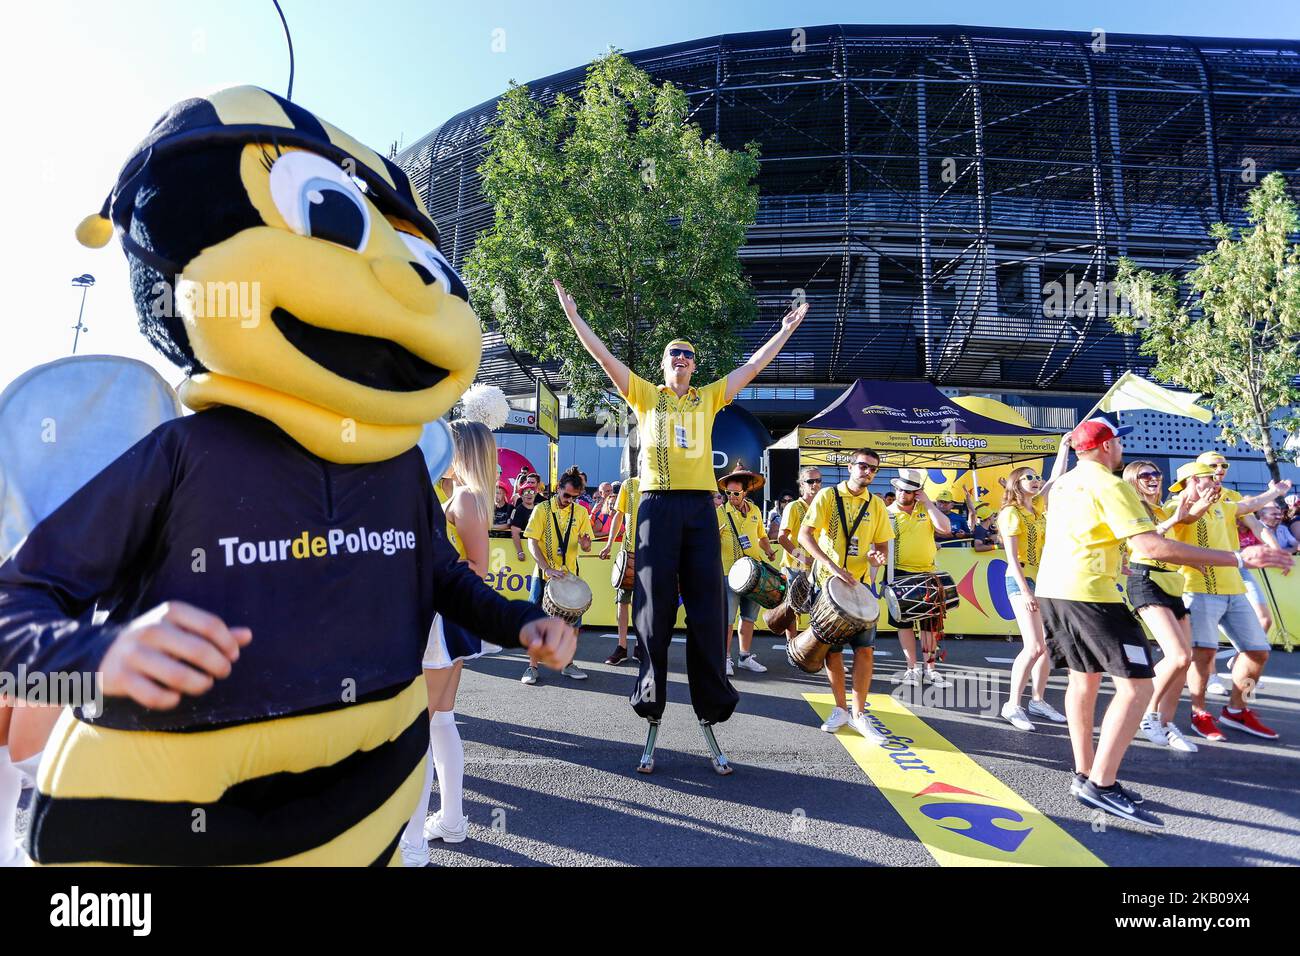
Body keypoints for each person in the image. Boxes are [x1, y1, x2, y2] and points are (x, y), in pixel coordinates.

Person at [552, 277, 807, 773]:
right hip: (655, 507)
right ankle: (651, 701)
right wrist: (574, 317)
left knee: (709, 611)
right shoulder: (645, 397)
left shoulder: (710, 397)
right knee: (653, 610)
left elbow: (753, 367)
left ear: (695, 365)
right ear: (663, 365)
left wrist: (785, 331)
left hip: (698, 509)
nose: (681, 360)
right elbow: (604, 359)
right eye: (673, 355)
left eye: (687, 355)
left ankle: (711, 705)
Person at [1035, 416, 1290, 827]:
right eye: (1119, 442)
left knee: (1084, 679)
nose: (1123, 449)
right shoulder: (1110, 484)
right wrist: (1240, 558)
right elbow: (1151, 546)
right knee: (1138, 686)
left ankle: (1086, 774)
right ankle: (1101, 785)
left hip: (1057, 589)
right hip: (1092, 593)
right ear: (1105, 448)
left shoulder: (1063, 482)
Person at [400, 420, 505, 864]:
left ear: (459, 452)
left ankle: (414, 844)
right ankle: (452, 821)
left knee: (422, 728)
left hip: (441, 623)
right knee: (442, 721)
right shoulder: (469, 497)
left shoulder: (463, 498)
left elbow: (477, 569)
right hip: (449, 621)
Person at [1167, 461, 1286, 742]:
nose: (1216, 479)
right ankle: (1199, 713)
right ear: (1191, 481)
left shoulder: (1224, 503)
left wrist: (1274, 492)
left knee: (1258, 652)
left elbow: (1250, 506)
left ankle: (1237, 708)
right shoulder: (1176, 506)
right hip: (1198, 588)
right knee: (1203, 654)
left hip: (1233, 588)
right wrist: (1198, 505)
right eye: (1207, 476)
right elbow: (1180, 524)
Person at [797, 448, 892, 742]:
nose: (868, 472)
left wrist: (878, 559)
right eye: (863, 465)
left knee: (865, 651)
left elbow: (882, 546)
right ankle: (840, 708)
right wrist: (831, 566)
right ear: (850, 467)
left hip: (859, 588)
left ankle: (860, 714)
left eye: (873, 469)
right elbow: (804, 535)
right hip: (828, 586)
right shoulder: (827, 496)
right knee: (832, 652)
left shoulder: (876, 505)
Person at [1121, 461, 1211, 754]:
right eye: (1145, 475)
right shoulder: (1131, 508)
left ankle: (1165, 722)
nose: (1153, 478)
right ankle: (1147, 713)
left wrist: (1191, 559)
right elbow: (1146, 544)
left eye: (1156, 474)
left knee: (1185, 661)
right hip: (1144, 581)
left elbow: (1169, 546)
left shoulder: (1160, 509)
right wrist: (1175, 519)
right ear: (1133, 480)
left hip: (1171, 583)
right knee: (1178, 655)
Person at [997, 467, 1066, 731]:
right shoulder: (1010, 513)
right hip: (1022, 579)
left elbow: (1055, 478)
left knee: (1047, 645)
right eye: (1030, 477)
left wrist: (1064, 447)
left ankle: (1038, 700)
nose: (1036, 481)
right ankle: (1012, 705)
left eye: (1037, 477)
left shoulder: (1036, 507)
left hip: (1044, 579)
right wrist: (1025, 591)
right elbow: (1012, 559)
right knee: (1034, 646)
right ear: (1016, 483)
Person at [521, 466, 594, 685]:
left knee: (573, 625)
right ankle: (532, 667)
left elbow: (587, 545)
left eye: (574, 497)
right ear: (558, 488)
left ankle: (568, 664)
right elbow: (532, 542)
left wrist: (586, 544)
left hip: (570, 577)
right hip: (543, 576)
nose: (569, 500)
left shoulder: (580, 512)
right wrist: (546, 567)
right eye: (566, 495)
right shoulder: (542, 509)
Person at [887, 469, 952, 687]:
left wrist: (929, 503)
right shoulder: (887, 513)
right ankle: (911, 668)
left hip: (927, 573)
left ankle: (930, 668)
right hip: (899, 573)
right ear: (896, 488)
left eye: (910, 491)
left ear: (917, 492)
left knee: (929, 625)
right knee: (904, 624)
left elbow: (945, 528)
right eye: (901, 489)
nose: (904, 494)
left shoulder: (926, 508)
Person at [718, 467, 777, 676]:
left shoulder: (755, 511)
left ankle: (744, 657)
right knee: (727, 620)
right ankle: (725, 659)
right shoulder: (719, 512)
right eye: (728, 493)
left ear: (745, 492)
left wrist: (769, 551)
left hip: (754, 571)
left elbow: (761, 536)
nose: (731, 497)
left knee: (749, 617)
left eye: (735, 493)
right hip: (729, 572)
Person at [776, 467, 822, 643]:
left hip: (818, 567)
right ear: (802, 484)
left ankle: (812, 648)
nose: (815, 484)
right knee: (793, 610)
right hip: (795, 566)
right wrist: (803, 557)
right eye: (811, 481)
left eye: (818, 480)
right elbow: (781, 537)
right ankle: (792, 647)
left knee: (817, 609)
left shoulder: (822, 505)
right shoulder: (793, 506)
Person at [600, 473, 641, 665]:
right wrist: (609, 544)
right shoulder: (629, 484)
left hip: (653, 555)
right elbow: (618, 515)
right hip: (629, 552)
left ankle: (642, 646)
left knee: (646, 604)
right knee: (622, 601)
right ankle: (622, 646)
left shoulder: (662, 484)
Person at [509, 477, 540, 564]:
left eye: (532, 492)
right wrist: (520, 551)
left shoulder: (539, 508)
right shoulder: (518, 510)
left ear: (535, 494)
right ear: (522, 495)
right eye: (526, 492)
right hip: (527, 548)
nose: (529, 494)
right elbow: (515, 532)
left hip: (540, 549)